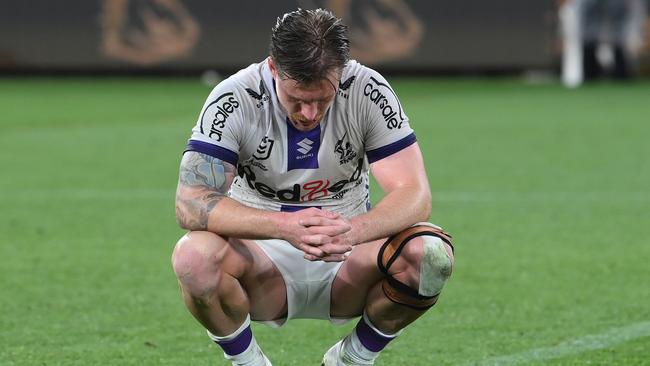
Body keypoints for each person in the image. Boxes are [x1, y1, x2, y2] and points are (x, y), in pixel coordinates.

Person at [171, 8, 454, 366]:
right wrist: (283, 227)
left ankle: (351, 359)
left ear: (342, 71)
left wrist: (354, 230)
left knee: (430, 254)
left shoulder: (367, 90)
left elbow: (415, 194)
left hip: (349, 254)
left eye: (323, 99)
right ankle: (250, 363)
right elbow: (190, 202)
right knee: (192, 258)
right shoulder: (234, 98)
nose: (309, 113)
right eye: (297, 99)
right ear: (274, 68)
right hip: (259, 259)